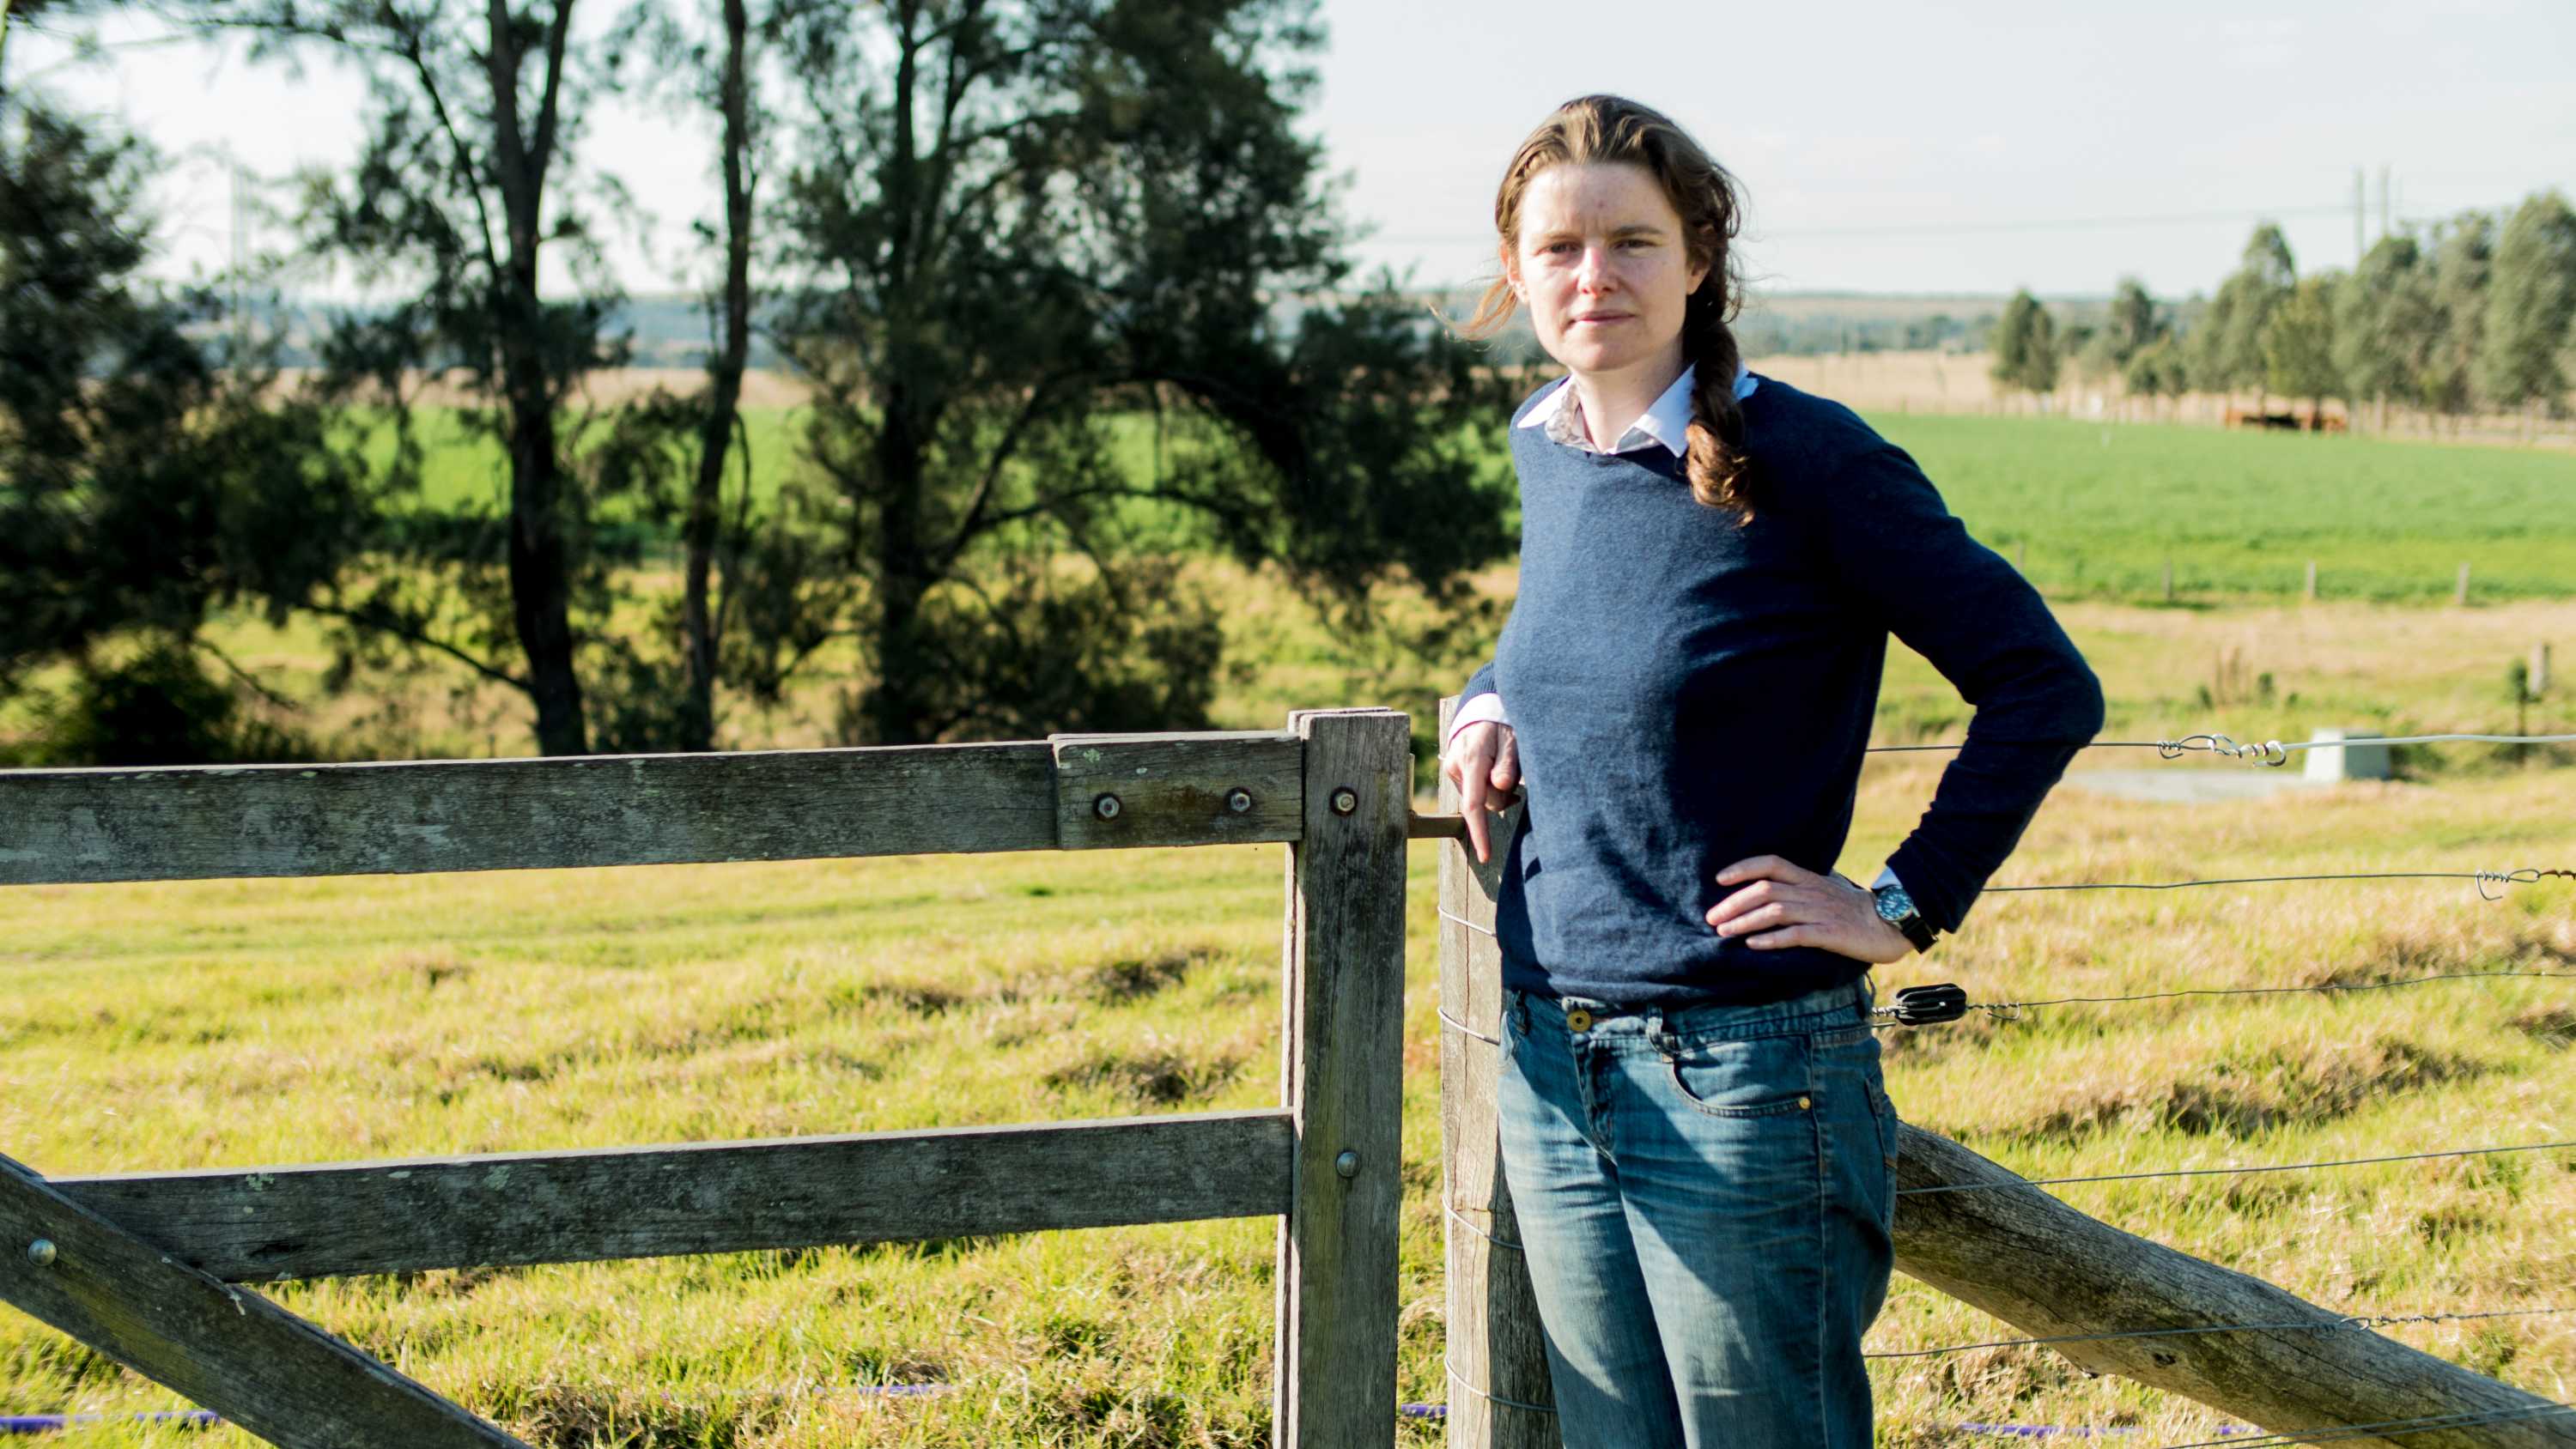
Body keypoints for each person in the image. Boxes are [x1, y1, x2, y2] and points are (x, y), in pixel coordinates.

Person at [1439, 94, 2104, 1448]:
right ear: (1516, 272)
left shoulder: (1807, 458)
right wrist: (1481, 701)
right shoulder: (1548, 446)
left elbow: (2044, 686)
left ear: (1699, 261)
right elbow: (1581, 641)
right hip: (1551, 1060)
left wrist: (1903, 905)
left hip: (1744, 1070)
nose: (1593, 276)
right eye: (1559, 248)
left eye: (1633, 242)